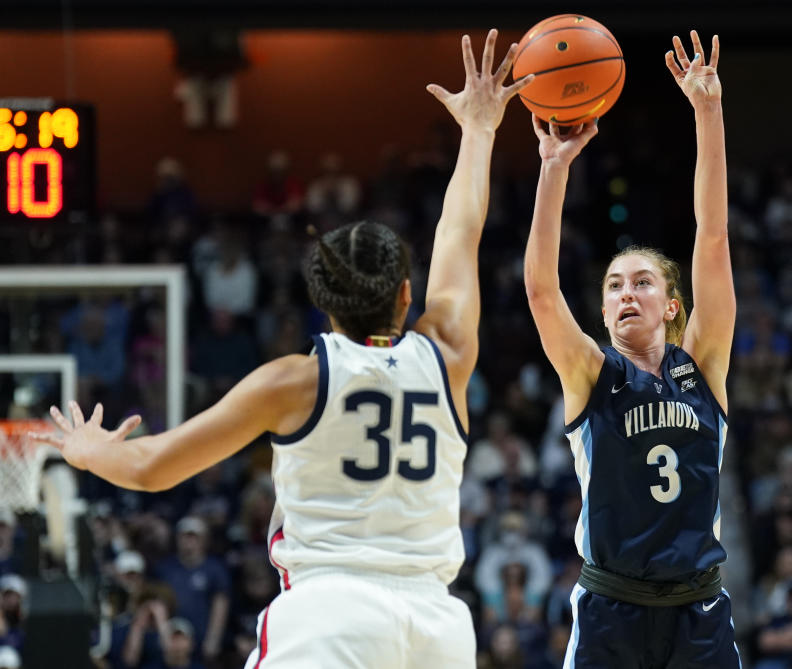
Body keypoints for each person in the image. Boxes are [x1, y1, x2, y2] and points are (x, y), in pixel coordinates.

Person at [33, 29, 533, 669]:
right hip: (438, 625)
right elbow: (460, 231)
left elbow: (151, 469)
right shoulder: (450, 354)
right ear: (408, 295)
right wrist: (480, 130)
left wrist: (86, 450)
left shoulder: (295, 381)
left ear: (323, 305)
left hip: (330, 616)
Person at [523, 31, 740, 667]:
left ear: (673, 305)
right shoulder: (591, 372)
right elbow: (540, 289)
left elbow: (715, 238)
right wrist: (553, 168)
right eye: (614, 285)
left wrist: (708, 113)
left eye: (642, 283)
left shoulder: (703, 364)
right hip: (611, 609)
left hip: (697, 609)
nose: (626, 294)